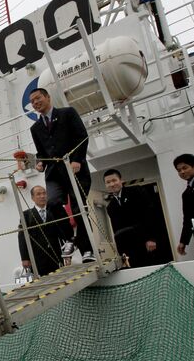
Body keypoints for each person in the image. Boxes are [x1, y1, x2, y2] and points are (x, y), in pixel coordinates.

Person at [29, 88, 95, 263]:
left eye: (38, 98)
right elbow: (41, 151)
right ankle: (70, 239)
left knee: (78, 208)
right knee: (52, 203)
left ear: (48, 97)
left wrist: (77, 160)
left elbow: (82, 137)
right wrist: (40, 162)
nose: (36, 103)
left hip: (75, 170)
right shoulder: (35, 128)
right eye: (33, 101)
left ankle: (88, 250)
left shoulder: (68, 113)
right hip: (53, 173)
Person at [103, 169, 158, 268]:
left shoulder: (136, 191)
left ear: (121, 180)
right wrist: (121, 254)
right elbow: (117, 231)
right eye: (108, 182)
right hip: (127, 249)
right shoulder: (110, 207)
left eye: (114, 180)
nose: (111, 184)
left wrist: (151, 238)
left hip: (144, 242)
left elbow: (149, 214)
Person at [18, 185, 74, 276]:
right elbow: (22, 238)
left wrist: (67, 255)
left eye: (44, 193)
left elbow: (62, 234)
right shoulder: (26, 215)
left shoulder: (54, 212)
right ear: (32, 198)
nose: (42, 196)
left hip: (55, 256)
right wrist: (25, 258)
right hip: (37, 259)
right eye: (38, 194)